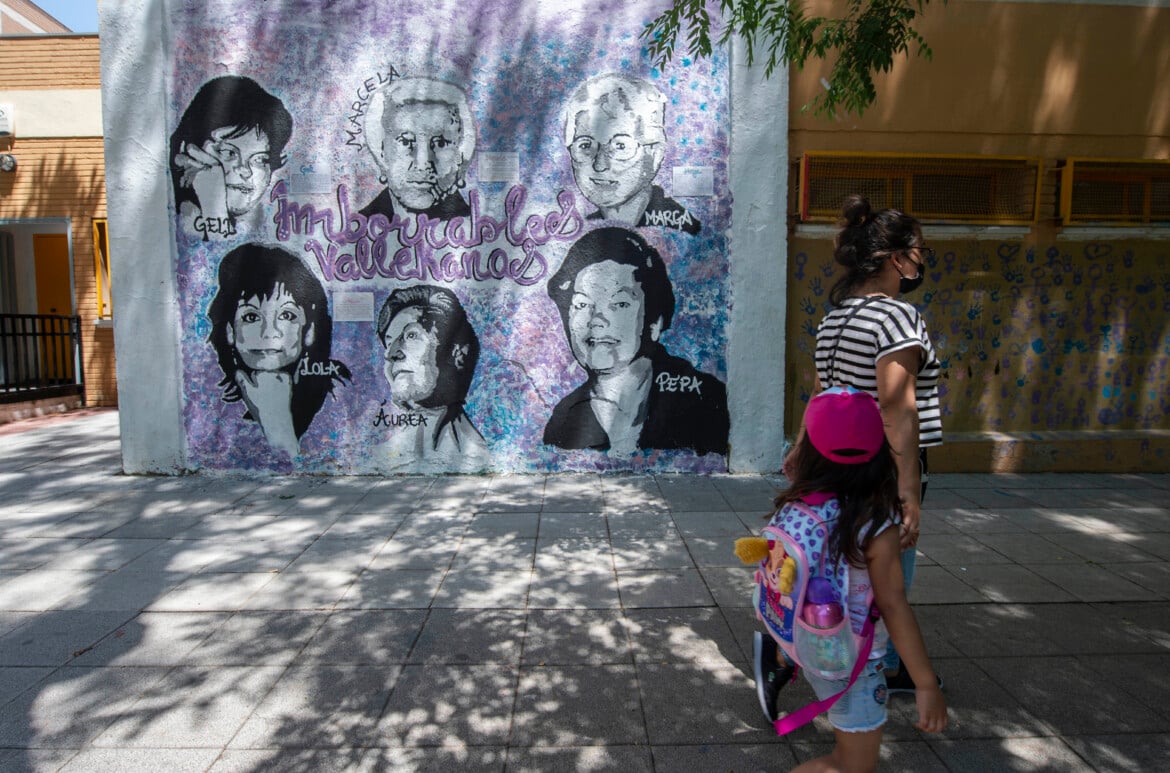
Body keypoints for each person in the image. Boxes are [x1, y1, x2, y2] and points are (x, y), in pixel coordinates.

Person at [769, 194, 943, 702]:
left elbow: (824, 393)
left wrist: (803, 445)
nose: (921, 261)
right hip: (885, 468)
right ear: (898, 258)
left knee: (845, 563)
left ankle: (815, 648)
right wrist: (909, 490)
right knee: (888, 576)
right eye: (920, 251)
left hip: (838, 463)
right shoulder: (897, 319)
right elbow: (896, 408)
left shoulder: (835, 320)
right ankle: (881, 665)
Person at [758, 386, 947, 772]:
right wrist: (925, 682)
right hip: (853, 661)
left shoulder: (799, 503)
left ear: (810, 450)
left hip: (811, 649)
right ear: (879, 452)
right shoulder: (876, 523)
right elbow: (893, 604)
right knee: (852, 766)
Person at [543, 226, 727, 455]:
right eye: (581, 304)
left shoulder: (703, 400)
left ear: (654, 323)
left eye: (619, 304)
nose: (596, 320)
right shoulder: (564, 421)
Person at [208, 243, 350, 457]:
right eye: (251, 317)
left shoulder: (332, 400)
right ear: (230, 330)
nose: (269, 333)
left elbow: (291, 462)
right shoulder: (219, 408)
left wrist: (276, 422)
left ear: (309, 330)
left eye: (287, 316)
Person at [562, 74, 700, 235]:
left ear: (655, 154)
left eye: (620, 146)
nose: (599, 165)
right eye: (585, 145)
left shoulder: (680, 230)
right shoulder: (585, 229)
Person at [375, 284, 488, 467]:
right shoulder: (379, 457)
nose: (391, 353)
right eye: (388, 343)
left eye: (411, 335)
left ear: (458, 354)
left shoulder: (480, 457)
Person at [170, 76, 293, 239]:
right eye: (228, 153)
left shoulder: (252, 231)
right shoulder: (173, 220)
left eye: (260, 160)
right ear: (187, 148)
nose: (245, 170)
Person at [361, 78, 475, 222]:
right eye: (406, 141)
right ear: (382, 151)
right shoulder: (359, 226)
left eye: (440, 143)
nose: (423, 164)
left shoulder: (475, 226)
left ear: (459, 153)